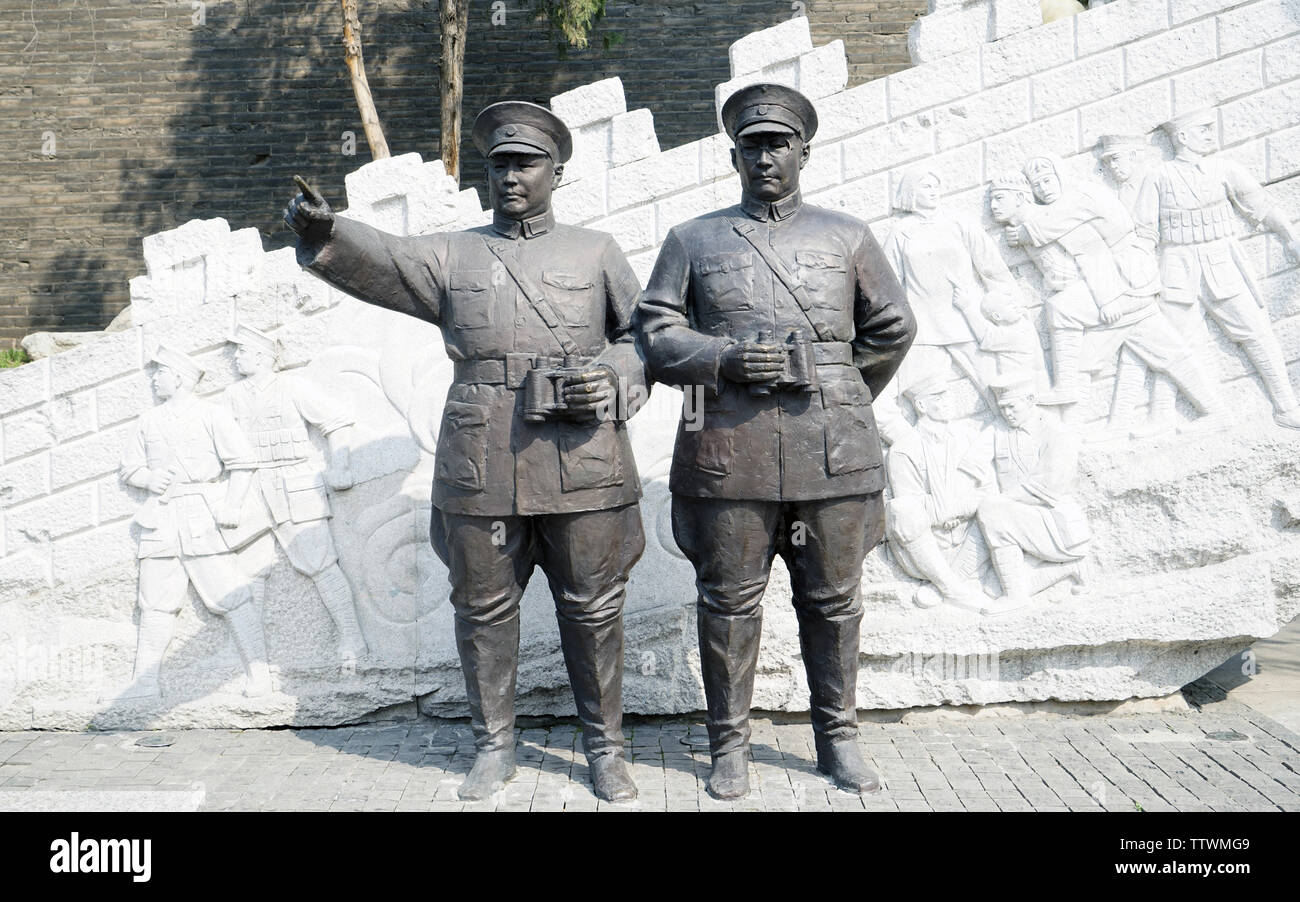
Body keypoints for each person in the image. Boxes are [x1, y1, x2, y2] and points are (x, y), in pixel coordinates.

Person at [284, 101, 648, 802]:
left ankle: (605, 748)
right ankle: (493, 745)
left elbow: (646, 338)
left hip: (582, 454)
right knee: (482, 607)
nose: (511, 176)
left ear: (557, 171)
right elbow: (385, 258)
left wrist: (609, 378)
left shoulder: (596, 251)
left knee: (594, 607)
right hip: (482, 457)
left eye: (526, 163)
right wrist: (327, 232)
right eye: (498, 164)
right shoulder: (454, 252)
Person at [637, 83, 915, 799]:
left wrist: (841, 390)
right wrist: (722, 361)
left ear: (804, 152)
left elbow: (893, 327)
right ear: (733, 155)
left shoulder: (846, 235)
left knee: (834, 601)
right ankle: (729, 747)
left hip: (834, 454)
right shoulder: (692, 240)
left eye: (779, 143)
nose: (766, 156)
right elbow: (655, 335)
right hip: (729, 452)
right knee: (728, 603)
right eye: (753, 145)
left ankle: (839, 739)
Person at [1001, 158, 1221, 433]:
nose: (1044, 190)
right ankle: (1214, 410)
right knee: (1164, 351)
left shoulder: (1079, 198)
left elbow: (1091, 253)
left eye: (1048, 180)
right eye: (1037, 185)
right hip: (1124, 282)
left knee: (1062, 309)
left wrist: (1108, 299)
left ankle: (1068, 390)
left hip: (1126, 279)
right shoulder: (1066, 207)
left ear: (1061, 176)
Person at [118, 344, 274, 700]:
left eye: (161, 373)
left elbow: (242, 463)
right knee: (155, 603)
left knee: (232, 596)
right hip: (160, 517)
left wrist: (232, 505)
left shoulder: (212, 415)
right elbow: (131, 467)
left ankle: (259, 673)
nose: (155, 379)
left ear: (179, 378)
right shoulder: (149, 420)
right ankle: (144, 682)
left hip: (201, 516)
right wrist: (147, 478)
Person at [1135, 108, 1300, 429]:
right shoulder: (1158, 176)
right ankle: (1190, 414)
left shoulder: (1225, 169)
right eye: (1204, 130)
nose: (1212, 135)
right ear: (1182, 137)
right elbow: (1144, 233)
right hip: (1176, 269)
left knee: (1257, 332)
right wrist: (1139, 275)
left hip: (1222, 262)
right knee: (1176, 345)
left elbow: (1262, 207)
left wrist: (1291, 237)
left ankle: (1285, 406)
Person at [225, 323, 368, 669]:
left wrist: (341, 466)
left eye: (242, 351)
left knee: (321, 564)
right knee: (250, 570)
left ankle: (353, 637)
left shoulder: (291, 386)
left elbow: (337, 421)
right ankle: (254, 660)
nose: (236, 357)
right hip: (252, 486)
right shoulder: (232, 396)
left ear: (261, 355)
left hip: (295, 483)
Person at [974, 372, 1091, 610]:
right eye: (1002, 408)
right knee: (988, 588)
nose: (1007, 413)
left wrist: (998, 500)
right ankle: (1071, 569)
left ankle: (1015, 596)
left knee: (991, 510)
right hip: (1019, 523)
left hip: (1055, 525)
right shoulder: (1000, 429)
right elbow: (972, 465)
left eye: (1012, 406)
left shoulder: (1057, 433)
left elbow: (1047, 488)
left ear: (1029, 400)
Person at [885, 372, 991, 612]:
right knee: (901, 511)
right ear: (921, 405)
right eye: (939, 398)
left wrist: (959, 506)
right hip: (928, 545)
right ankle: (952, 587)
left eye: (947, 397)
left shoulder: (966, 437)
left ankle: (945, 586)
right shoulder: (904, 449)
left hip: (970, 534)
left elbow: (985, 486)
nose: (947, 403)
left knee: (998, 507)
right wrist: (955, 508)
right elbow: (912, 507)